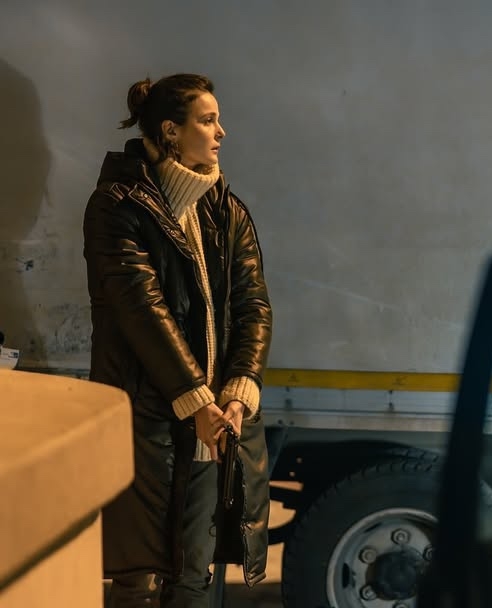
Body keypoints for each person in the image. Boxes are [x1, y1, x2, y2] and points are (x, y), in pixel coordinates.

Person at [83, 73, 273, 607]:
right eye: (208, 121)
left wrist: (238, 392)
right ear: (170, 131)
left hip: (214, 420)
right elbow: (143, 312)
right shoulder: (117, 206)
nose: (221, 132)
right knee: (139, 577)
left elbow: (253, 306)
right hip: (149, 421)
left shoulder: (226, 209)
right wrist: (196, 400)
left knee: (195, 575)